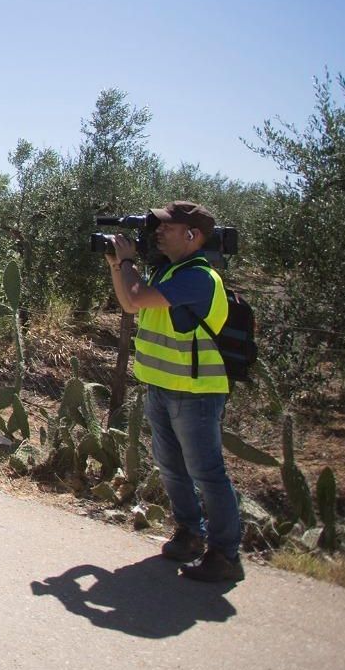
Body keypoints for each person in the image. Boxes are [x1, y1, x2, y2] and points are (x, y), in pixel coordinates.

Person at [106, 200, 243, 583]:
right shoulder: (170, 272)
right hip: (163, 386)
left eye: (168, 226)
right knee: (171, 467)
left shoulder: (199, 276)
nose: (159, 232)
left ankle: (226, 553)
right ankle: (189, 533)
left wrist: (128, 262)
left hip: (196, 390)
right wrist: (119, 265)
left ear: (193, 235)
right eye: (159, 226)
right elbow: (129, 304)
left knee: (207, 472)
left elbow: (133, 297)